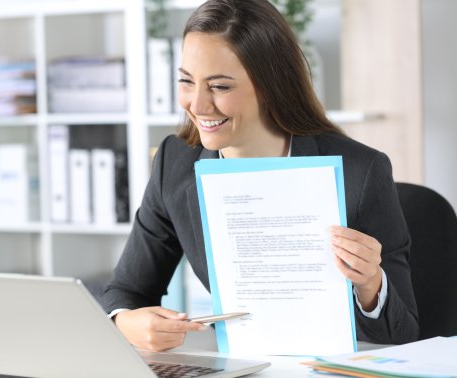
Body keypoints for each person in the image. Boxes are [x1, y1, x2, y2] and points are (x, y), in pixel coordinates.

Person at [104, 0, 419, 352]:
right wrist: (124, 320)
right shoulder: (174, 163)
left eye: (220, 87)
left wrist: (371, 285)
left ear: (271, 85)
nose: (198, 104)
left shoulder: (360, 171)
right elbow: (126, 291)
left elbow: (403, 337)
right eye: (186, 81)